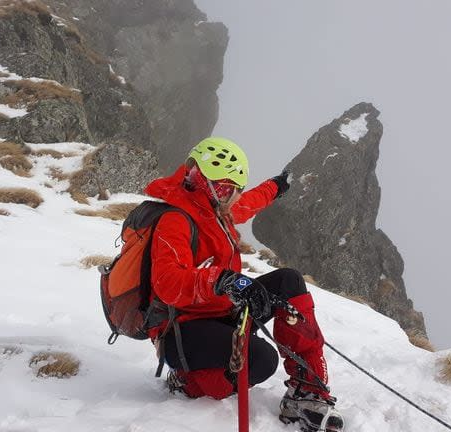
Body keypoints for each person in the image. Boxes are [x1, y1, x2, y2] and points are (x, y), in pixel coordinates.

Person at [143, 137, 344, 431]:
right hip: (182, 328)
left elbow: (248, 203)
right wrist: (223, 280)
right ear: (197, 176)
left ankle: (307, 391)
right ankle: (188, 381)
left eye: (231, 190)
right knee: (260, 360)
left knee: (288, 281)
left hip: (221, 311)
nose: (230, 196)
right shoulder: (175, 218)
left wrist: (276, 186)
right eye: (223, 188)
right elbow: (167, 283)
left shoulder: (216, 208)